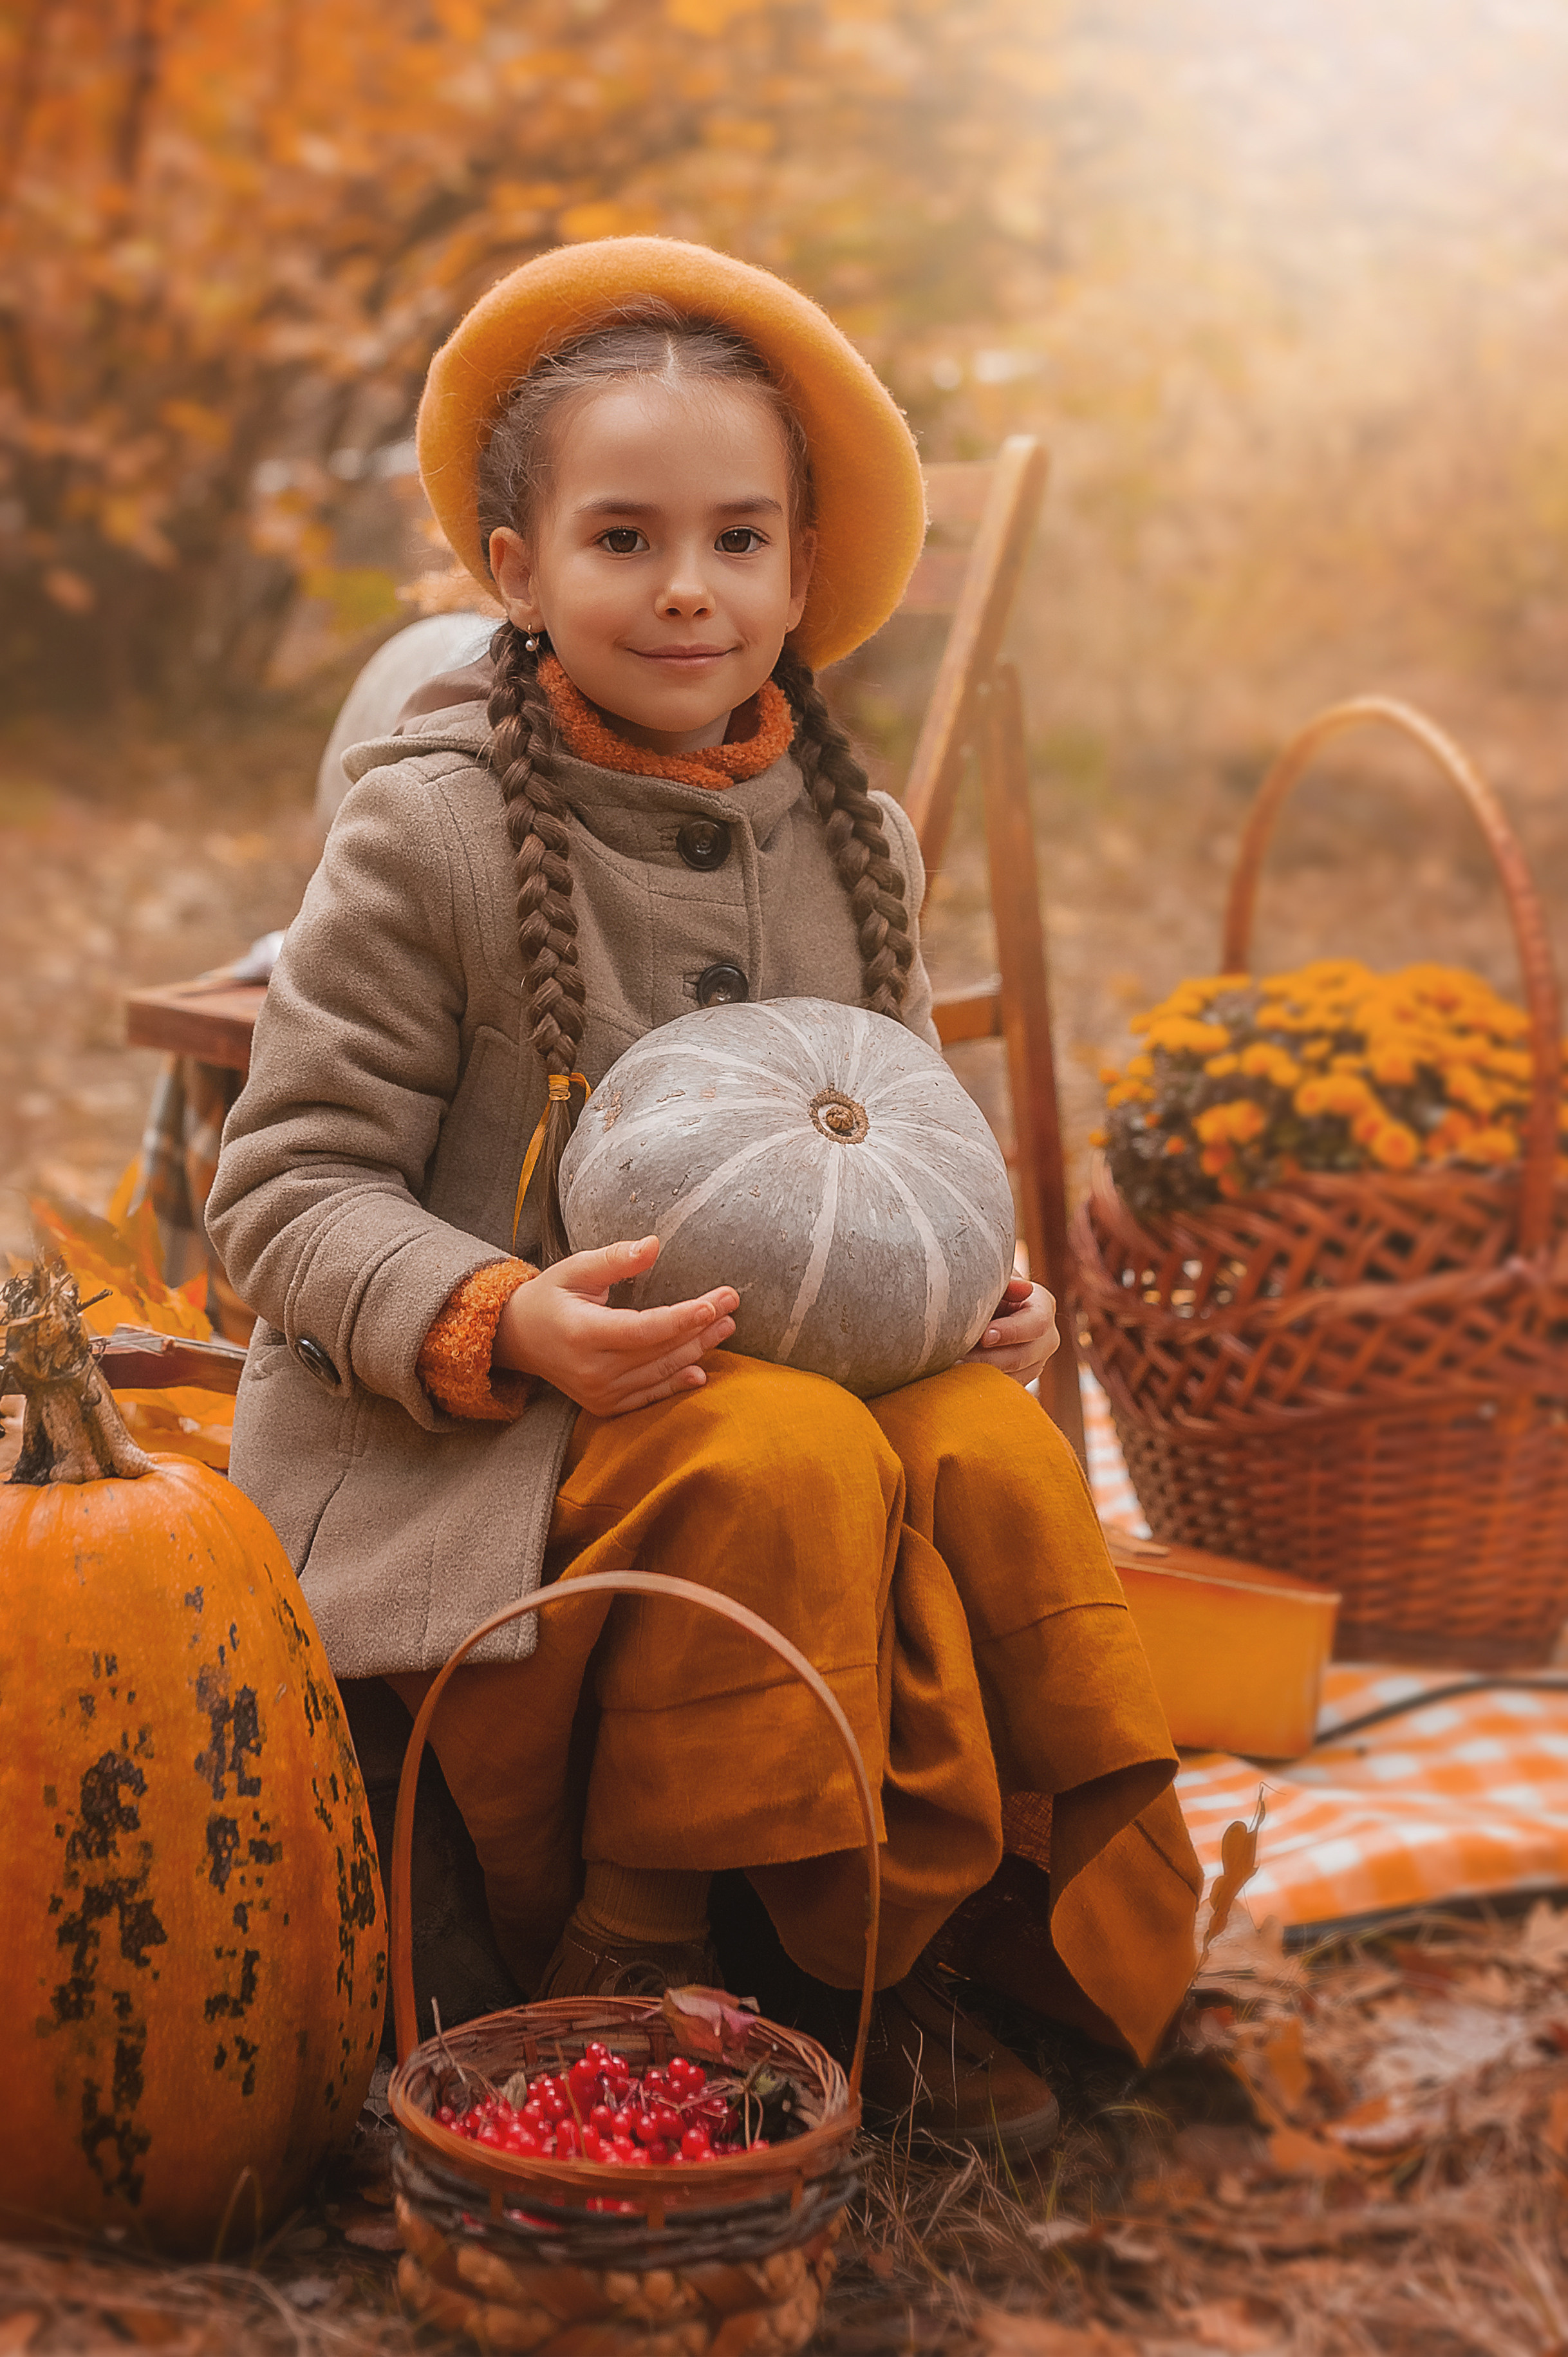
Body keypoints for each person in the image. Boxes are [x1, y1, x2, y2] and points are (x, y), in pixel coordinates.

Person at [206, 237, 1200, 2157]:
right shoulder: (428, 832)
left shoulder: (859, 838)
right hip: (485, 1436)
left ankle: (1015, 1938)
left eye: (739, 540)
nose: (687, 587)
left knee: (987, 1448)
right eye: (623, 539)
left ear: (801, 574)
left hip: (790, 1363)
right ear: (517, 570)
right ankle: (635, 1954)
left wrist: (967, 1291)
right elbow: (284, 1185)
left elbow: (896, 1129)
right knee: (780, 1458)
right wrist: (506, 1318)